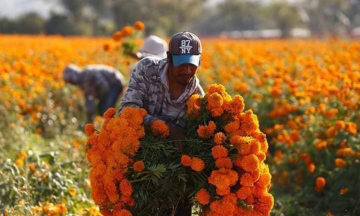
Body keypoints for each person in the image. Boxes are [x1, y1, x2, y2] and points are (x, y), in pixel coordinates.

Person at [119, 31, 204, 216]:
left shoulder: (198, 97)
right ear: (168, 58)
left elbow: (199, 140)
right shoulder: (148, 69)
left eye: (192, 63)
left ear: (200, 61)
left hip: (174, 173)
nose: (187, 70)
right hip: (139, 166)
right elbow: (127, 111)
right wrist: (167, 130)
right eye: (181, 63)